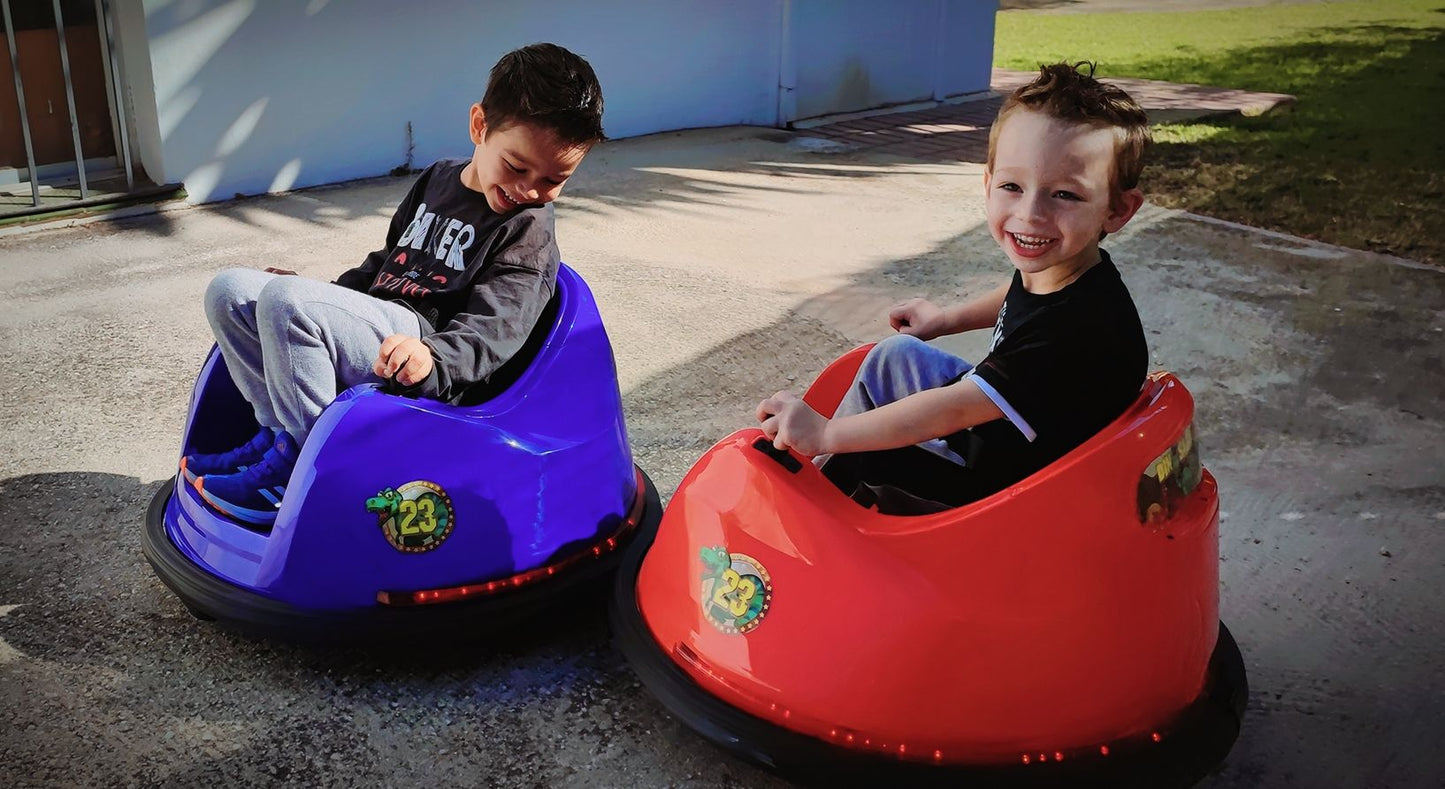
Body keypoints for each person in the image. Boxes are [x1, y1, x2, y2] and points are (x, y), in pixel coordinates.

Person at [183, 43, 605, 525]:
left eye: (555, 179)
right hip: (379, 328)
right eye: (517, 167)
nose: (530, 190)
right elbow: (388, 263)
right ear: (480, 126)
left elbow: (500, 325)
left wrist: (436, 358)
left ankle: (308, 470)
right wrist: (321, 295)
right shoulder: (438, 179)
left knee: (284, 303)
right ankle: (277, 436)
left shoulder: (527, 229)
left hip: (420, 351)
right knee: (232, 290)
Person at [758, 62, 1150, 511]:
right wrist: (946, 320)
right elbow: (1023, 293)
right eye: (1012, 186)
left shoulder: (1076, 332)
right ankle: (830, 474)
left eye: (1066, 194)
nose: (1030, 214)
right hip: (1003, 435)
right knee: (894, 355)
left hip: (1006, 492)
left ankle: (821, 512)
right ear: (988, 185)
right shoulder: (1073, 272)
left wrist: (828, 432)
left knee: (871, 453)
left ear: (1118, 210)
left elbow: (956, 409)